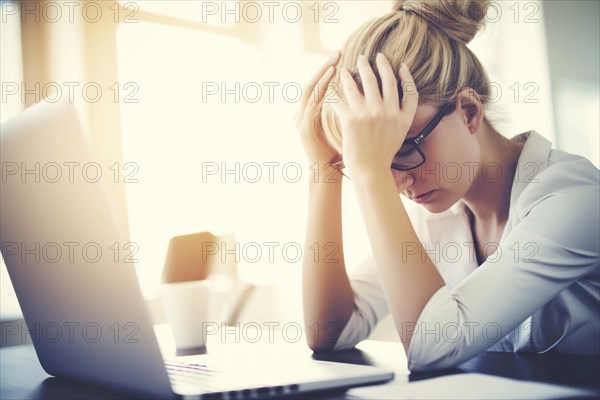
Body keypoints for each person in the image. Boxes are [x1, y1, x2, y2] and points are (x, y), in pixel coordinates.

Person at [294, 0, 600, 371]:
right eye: (373, 160)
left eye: (404, 147)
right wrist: (322, 168)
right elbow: (329, 331)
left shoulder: (574, 201)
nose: (397, 184)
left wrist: (371, 170)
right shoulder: (437, 217)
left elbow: (432, 346)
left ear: (469, 112)